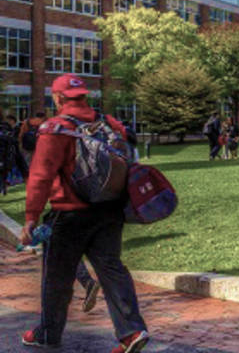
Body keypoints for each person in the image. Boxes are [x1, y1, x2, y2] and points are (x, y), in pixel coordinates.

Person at [20, 74, 148, 352]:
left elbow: (40, 177)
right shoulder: (110, 124)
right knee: (112, 269)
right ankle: (131, 331)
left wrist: (31, 218)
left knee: (57, 278)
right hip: (110, 210)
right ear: (84, 96)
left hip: (69, 214)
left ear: (58, 98)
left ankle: (48, 333)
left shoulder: (55, 129)